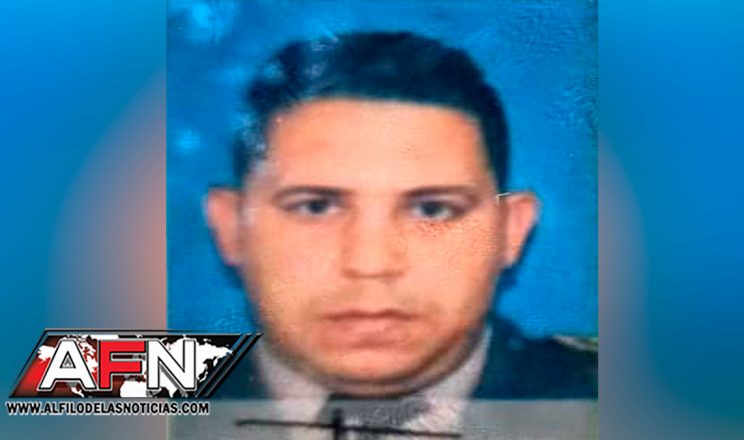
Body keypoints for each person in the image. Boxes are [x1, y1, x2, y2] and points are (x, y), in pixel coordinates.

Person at [205, 31, 596, 412]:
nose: (370, 263)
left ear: (510, 230)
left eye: (432, 209)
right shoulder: (169, 391)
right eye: (316, 207)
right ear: (232, 227)